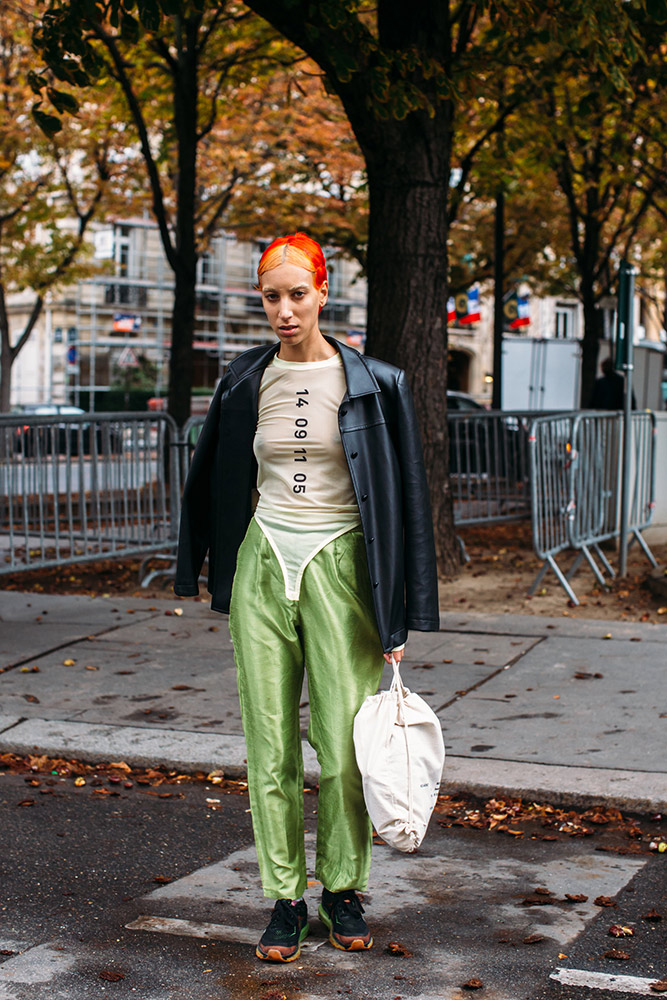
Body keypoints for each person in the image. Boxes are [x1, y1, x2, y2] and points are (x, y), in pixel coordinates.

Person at [174, 232, 439, 963]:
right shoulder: (241, 378)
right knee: (268, 745)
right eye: (271, 296)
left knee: (343, 747)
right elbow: (214, 478)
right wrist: (200, 568)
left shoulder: (374, 382)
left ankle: (344, 889)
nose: (284, 310)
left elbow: (407, 499)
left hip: (342, 568)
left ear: (322, 293)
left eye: (297, 294)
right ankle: (285, 899)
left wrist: (402, 612)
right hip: (264, 562)